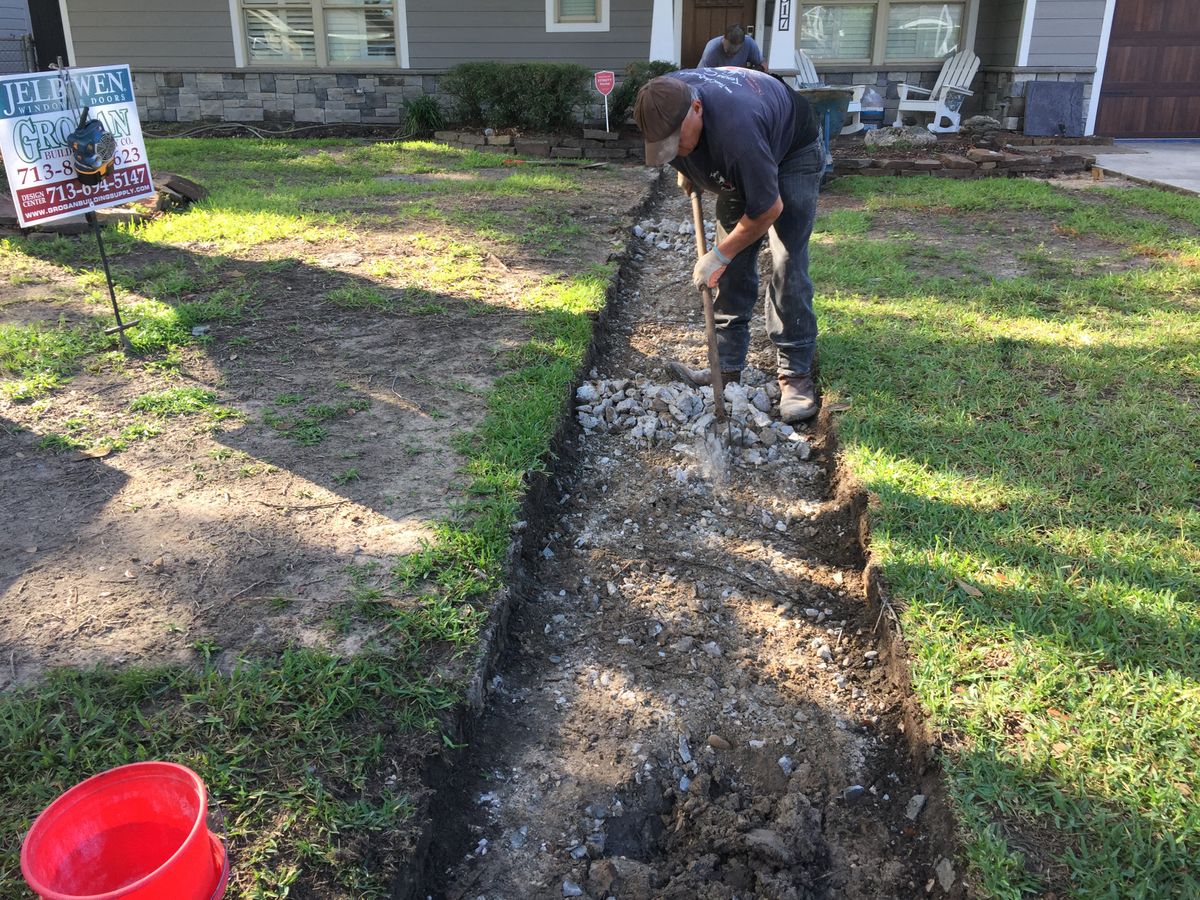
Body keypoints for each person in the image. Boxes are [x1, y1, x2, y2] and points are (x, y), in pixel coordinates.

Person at [633, 69, 823, 422]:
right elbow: (677, 141)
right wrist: (688, 165)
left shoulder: (738, 130)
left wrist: (719, 254)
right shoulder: (662, 99)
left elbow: (767, 209)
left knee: (787, 260)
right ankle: (727, 366)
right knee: (731, 267)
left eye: (677, 140)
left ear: (697, 108)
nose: (672, 148)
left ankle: (795, 374)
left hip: (792, 150)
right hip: (739, 151)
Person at [698, 24, 765, 71]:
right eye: (727, 51)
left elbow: (763, 65)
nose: (729, 55)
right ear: (724, 38)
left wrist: (751, 74)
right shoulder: (711, 49)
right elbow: (701, 74)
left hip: (740, 79)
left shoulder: (749, 43)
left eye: (734, 53)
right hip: (717, 80)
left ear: (742, 44)